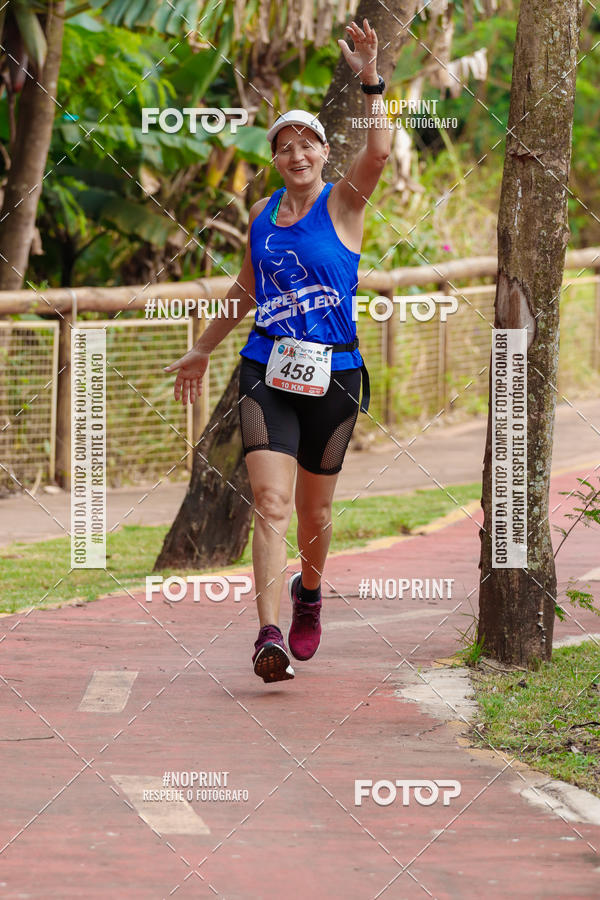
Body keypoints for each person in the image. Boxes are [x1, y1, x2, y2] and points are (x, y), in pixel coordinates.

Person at [166, 18, 391, 683]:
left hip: (337, 376)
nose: (297, 156)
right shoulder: (263, 214)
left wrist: (372, 80)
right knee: (268, 502)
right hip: (267, 368)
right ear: (275, 157)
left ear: (323, 153)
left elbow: (377, 153)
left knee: (314, 512)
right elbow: (244, 289)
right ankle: (266, 636)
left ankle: (309, 595)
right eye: (285, 147)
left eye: (307, 145)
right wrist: (203, 350)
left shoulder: (344, 204)